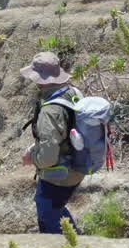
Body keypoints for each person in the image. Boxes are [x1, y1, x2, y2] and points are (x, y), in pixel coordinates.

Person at [20, 51, 85, 234]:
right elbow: (64, 132)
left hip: (60, 174)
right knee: (56, 209)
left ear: (39, 79)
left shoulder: (50, 110)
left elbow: (48, 158)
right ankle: (76, 238)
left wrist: (31, 158)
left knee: (48, 212)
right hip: (78, 164)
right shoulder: (73, 93)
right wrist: (35, 147)